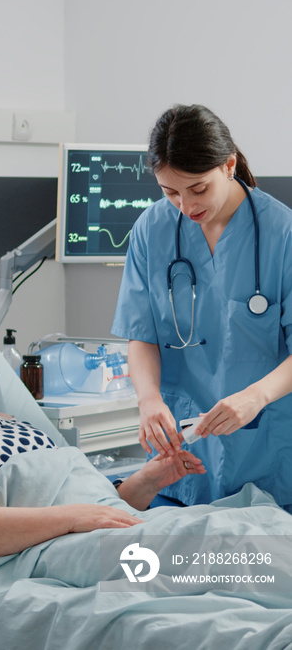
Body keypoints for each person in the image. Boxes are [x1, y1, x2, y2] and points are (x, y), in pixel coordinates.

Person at [0, 295, 205, 580]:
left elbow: (94, 508)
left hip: (98, 534)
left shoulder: (10, 423)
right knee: (219, 561)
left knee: (230, 538)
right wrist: (72, 518)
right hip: (53, 552)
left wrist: (149, 480)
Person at [112, 103, 292, 510]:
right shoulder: (151, 230)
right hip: (184, 447)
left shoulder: (282, 234)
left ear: (228, 165)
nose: (185, 206)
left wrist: (255, 397)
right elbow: (142, 334)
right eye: (170, 192)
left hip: (265, 442)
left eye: (198, 189)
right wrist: (148, 400)